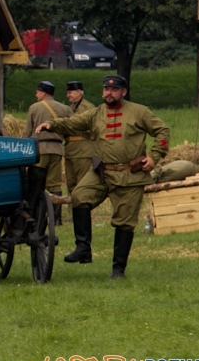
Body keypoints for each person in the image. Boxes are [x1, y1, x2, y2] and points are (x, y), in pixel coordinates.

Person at [37, 74, 170, 278]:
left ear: (123, 92)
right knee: (79, 196)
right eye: (106, 90)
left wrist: (154, 156)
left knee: (124, 221)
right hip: (101, 172)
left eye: (114, 90)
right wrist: (51, 125)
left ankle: (118, 270)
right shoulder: (96, 113)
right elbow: (73, 124)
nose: (109, 93)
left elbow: (162, 130)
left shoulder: (139, 112)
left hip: (130, 175)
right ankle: (83, 248)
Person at [25, 81, 73, 224]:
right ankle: (56, 218)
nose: (36, 95)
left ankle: (34, 215)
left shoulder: (34, 107)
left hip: (39, 150)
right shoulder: (65, 108)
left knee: (35, 185)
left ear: (44, 93)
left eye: (37, 92)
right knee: (55, 185)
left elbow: (28, 132)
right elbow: (71, 127)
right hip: (57, 149)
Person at [63, 80, 95, 196]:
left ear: (78, 92)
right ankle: (73, 211)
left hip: (83, 151)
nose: (68, 96)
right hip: (70, 151)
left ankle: (83, 212)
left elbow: (94, 128)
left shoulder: (89, 108)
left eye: (70, 93)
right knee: (70, 184)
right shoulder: (70, 108)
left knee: (82, 184)